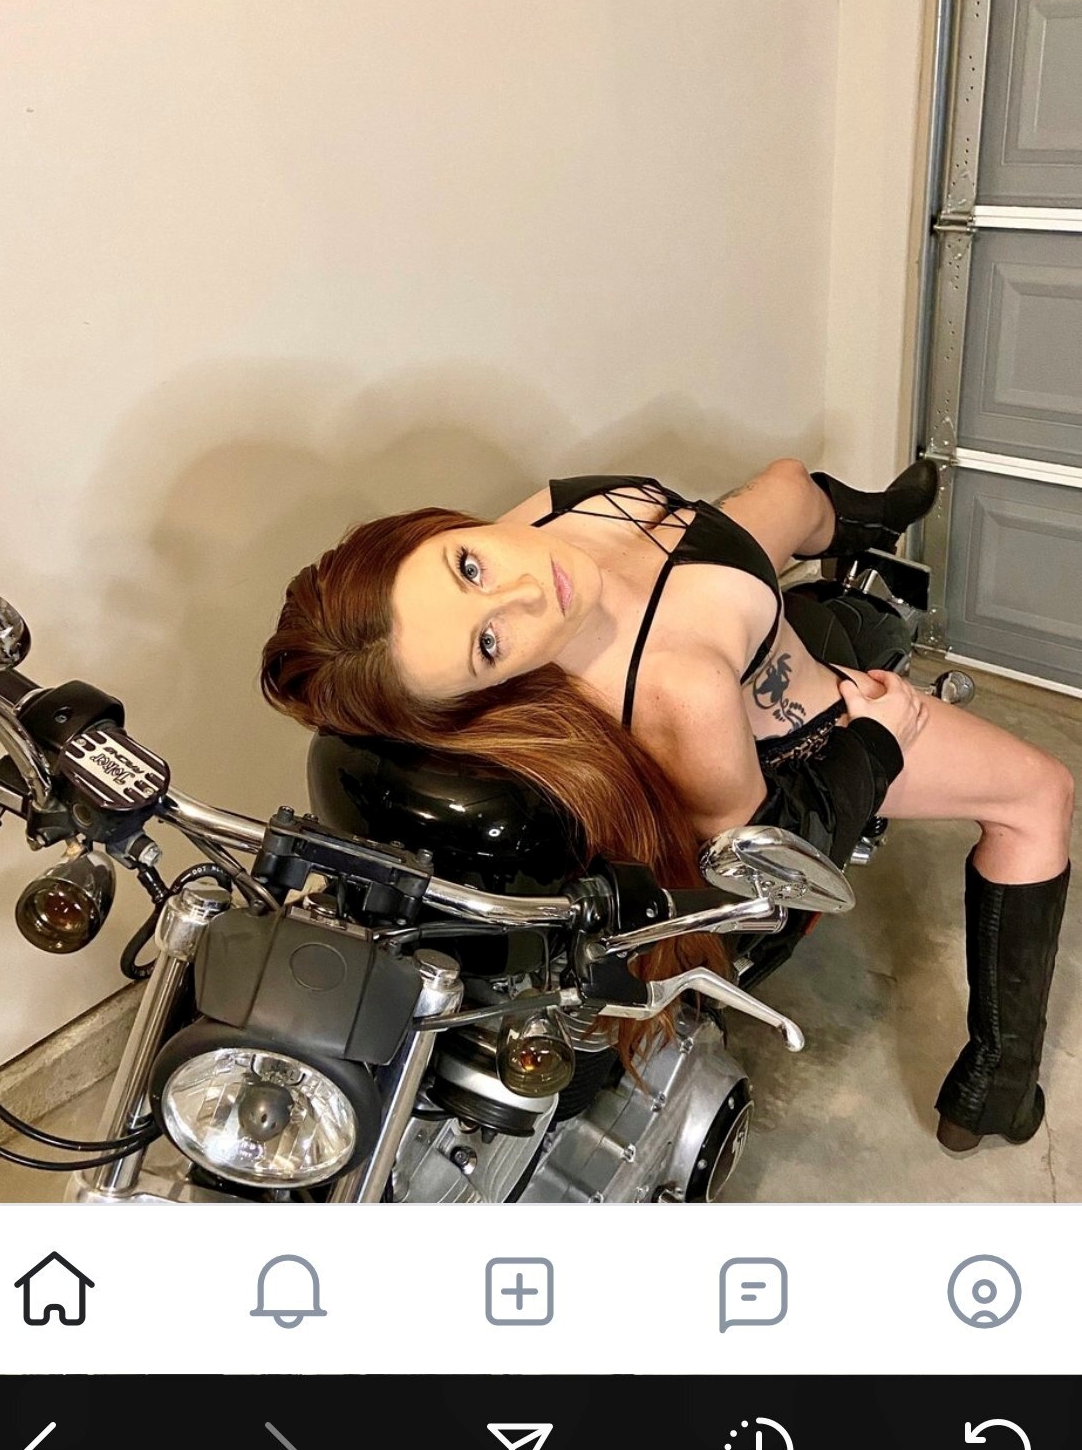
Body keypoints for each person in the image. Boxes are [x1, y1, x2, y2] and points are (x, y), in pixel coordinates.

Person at [261, 458, 1073, 1154]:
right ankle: (996, 1084)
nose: (527, 591)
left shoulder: (537, 519)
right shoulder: (678, 691)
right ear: (490, 688)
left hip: (710, 580)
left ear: (434, 529)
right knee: (1042, 794)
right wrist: (878, 740)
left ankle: (868, 522)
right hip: (808, 719)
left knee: (789, 484)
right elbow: (776, 852)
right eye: (489, 644)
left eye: (467, 567)